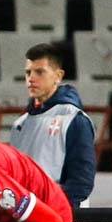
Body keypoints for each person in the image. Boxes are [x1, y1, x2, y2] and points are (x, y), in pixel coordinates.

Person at [10, 43, 96, 207]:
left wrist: (53, 211)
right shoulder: (19, 125)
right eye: (28, 72)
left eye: (40, 72)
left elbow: (81, 181)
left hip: (65, 220)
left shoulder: (73, 119)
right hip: (28, 218)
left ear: (58, 76)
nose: (31, 78)